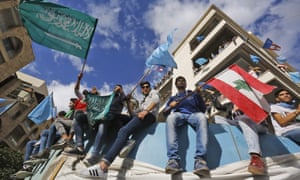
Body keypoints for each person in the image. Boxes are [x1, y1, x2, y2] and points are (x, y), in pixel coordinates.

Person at [76, 81, 160, 179]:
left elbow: (156, 100)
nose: (145, 88)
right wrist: (128, 102)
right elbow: (133, 113)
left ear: (149, 87)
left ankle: (103, 167)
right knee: (121, 125)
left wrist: (145, 111)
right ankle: (125, 141)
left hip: (149, 116)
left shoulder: (153, 92)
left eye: (147, 86)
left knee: (124, 131)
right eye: (143, 87)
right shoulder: (142, 101)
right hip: (140, 115)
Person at [163, 76, 209, 178]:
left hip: (193, 115)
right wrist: (171, 106)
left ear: (186, 83)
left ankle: (200, 160)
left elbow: (203, 109)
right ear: (176, 84)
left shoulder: (192, 94)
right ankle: (173, 160)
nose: (181, 82)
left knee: (202, 117)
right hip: (179, 115)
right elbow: (164, 113)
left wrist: (199, 95)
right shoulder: (173, 98)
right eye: (178, 81)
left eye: (183, 80)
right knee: (170, 118)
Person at [78, 84, 132, 166]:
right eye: (115, 87)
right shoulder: (108, 98)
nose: (116, 89)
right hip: (99, 118)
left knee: (102, 125)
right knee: (79, 117)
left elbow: (124, 99)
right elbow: (97, 103)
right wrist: (89, 95)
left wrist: (121, 92)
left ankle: (94, 155)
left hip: (111, 118)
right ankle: (79, 146)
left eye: (118, 88)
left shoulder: (121, 97)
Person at [62, 72, 99, 156]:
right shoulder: (82, 99)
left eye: (95, 93)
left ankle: (71, 140)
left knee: (78, 114)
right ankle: (79, 147)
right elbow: (76, 90)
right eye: (91, 92)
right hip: (77, 121)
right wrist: (79, 79)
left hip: (88, 122)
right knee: (74, 116)